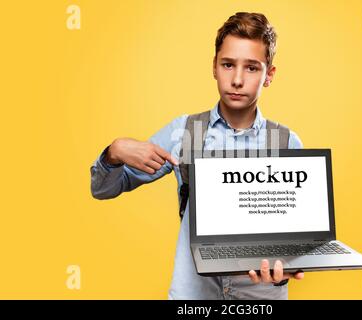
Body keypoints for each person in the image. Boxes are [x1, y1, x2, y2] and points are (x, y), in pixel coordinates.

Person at [90, 12, 305, 300]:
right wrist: (114, 153)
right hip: (193, 295)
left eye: (252, 68)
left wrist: (284, 273)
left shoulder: (287, 144)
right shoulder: (185, 132)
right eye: (228, 64)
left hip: (261, 296)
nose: (238, 79)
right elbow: (102, 189)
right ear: (214, 67)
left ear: (269, 75)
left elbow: (298, 240)